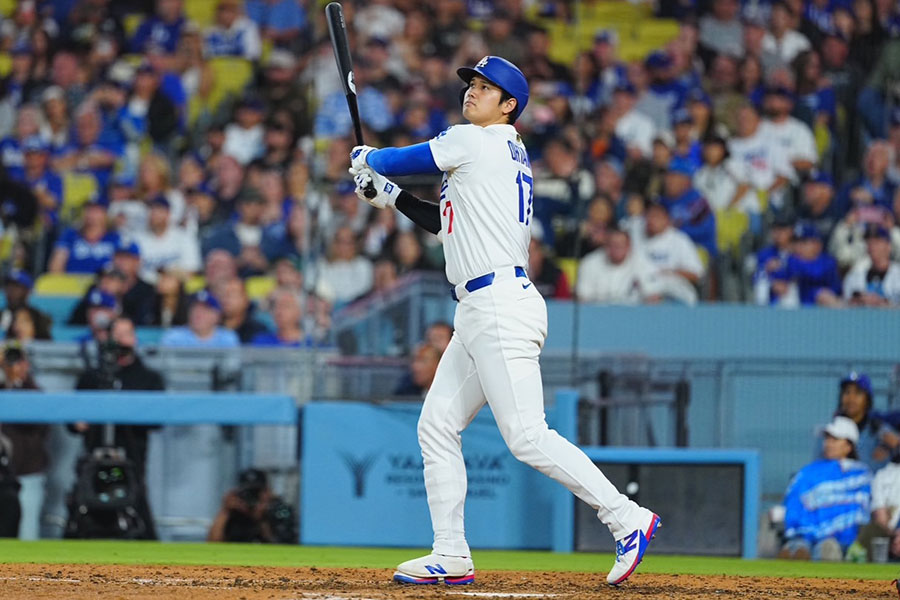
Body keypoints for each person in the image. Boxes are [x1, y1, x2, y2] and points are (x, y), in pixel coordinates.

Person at [349, 55, 660, 586]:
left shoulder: (476, 140)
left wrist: (369, 158)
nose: (472, 91)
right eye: (471, 83)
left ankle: (627, 518)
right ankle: (450, 552)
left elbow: (408, 157)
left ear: (509, 105)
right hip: (480, 306)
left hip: (498, 304)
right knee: (436, 426)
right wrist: (392, 195)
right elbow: (446, 225)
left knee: (526, 435)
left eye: (485, 86)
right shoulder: (493, 149)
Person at [68, 317, 164, 540]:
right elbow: (72, 420)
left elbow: (157, 420)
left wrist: (128, 412)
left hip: (132, 457)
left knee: (137, 509)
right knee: (84, 508)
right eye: (117, 335)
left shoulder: (148, 378)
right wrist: (78, 422)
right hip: (94, 456)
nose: (121, 341)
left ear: (135, 339)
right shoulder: (92, 377)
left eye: (126, 335)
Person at [779, 416, 871, 561]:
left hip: (840, 542)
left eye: (835, 439)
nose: (828, 444)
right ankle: (796, 552)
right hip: (804, 535)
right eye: (827, 439)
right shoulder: (809, 471)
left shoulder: (860, 474)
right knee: (798, 547)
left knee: (827, 548)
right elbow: (794, 502)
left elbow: (860, 511)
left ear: (849, 446)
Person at [0, 343, 49, 540]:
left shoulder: (33, 391)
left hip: (28, 472)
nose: (15, 366)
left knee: (28, 532)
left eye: (19, 361)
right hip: (2, 474)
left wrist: (17, 385)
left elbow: (36, 425)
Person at [207, 468, 296, 543]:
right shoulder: (235, 513)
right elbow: (213, 543)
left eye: (257, 492)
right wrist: (225, 512)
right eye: (248, 493)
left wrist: (263, 518)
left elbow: (285, 545)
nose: (253, 497)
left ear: (267, 491)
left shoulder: (280, 511)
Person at [159, 290, 240, 348]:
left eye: (204, 310)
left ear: (217, 316)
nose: (198, 314)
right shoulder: (174, 337)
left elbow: (233, 365)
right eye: (195, 308)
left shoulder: (227, 338)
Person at [0, 270, 51, 341]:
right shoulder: (2, 314)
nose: (11, 291)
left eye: (16, 287)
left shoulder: (37, 317)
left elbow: (46, 343)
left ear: (27, 291)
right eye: (8, 287)